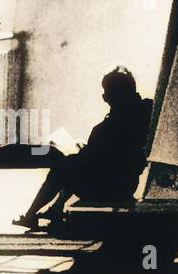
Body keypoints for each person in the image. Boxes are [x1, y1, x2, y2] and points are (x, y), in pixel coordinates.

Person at [14, 67, 153, 230]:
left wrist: (82, 151)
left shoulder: (106, 127)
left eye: (106, 92)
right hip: (126, 184)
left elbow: (93, 159)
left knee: (64, 166)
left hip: (109, 187)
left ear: (109, 96)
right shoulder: (146, 111)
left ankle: (31, 215)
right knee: (72, 164)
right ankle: (55, 209)